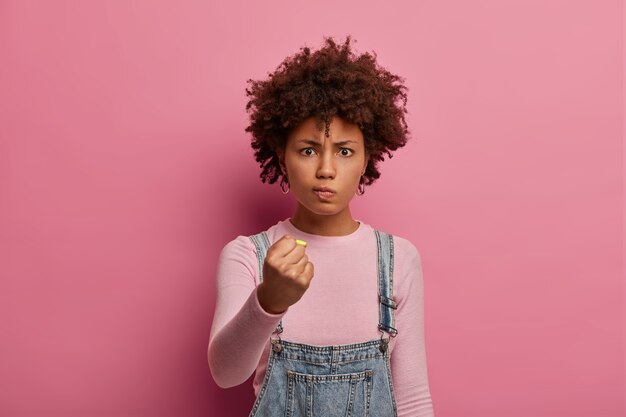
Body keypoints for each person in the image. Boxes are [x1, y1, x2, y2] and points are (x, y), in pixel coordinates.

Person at [208, 35, 435, 417]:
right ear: (282, 157)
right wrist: (269, 301)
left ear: (366, 159)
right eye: (308, 149)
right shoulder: (247, 255)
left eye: (344, 151)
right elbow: (225, 373)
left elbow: (412, 399)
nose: (326, 169)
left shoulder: (397, 258)